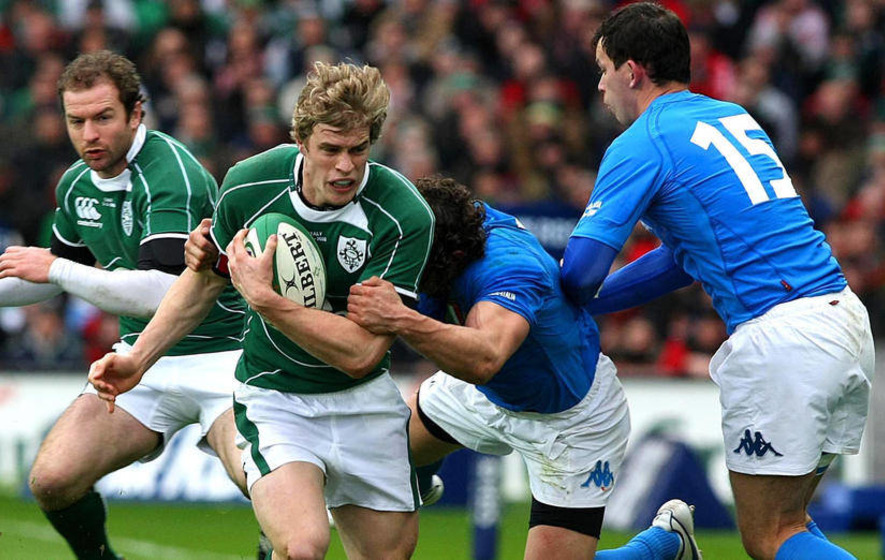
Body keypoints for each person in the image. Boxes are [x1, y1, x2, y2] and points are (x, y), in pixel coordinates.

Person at [560, 4, 874, 560]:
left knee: (770, 536)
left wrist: (553, 301)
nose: (600, 84)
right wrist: (596, 304)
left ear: (632, 71)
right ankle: (667, 548)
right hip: (841, 318)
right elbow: (684, 258)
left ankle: (661, 550)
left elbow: (581, 270)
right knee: (790, 520)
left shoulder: (642, 141)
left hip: (784, 339)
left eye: (604, 67)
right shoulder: (731, 116)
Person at [89, 61, 435, 560]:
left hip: (364, 403)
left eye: (358, 150)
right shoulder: (249, 184)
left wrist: (265, 300)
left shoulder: (402, 215)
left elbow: (361, 354)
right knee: (302, 547)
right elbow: (205, 280)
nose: (345, 166)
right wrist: (138, 360)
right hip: (276, 398)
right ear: (301, 141)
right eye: (330, 150)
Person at [347, 176, 702, 560]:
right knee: (380, 448)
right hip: (484, 393)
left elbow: (486, 357)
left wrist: (399, 318)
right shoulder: (451, 228)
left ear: (446, 255)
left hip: (569, 419)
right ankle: (417, 482)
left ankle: (662, 546)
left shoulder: (508, 269)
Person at [0, 50, 247, 560]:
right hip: (141, 361)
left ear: (137, 113)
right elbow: (51, 278)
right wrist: (53, 272)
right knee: (52, 479)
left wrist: (59, 270)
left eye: (103, 117)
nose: (89, 134)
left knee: (262, 483)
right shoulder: (74, 183)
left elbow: (163, 289)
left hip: (225, 356)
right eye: (77, 120)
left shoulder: (171, 172)